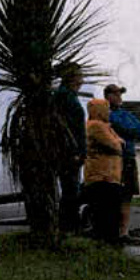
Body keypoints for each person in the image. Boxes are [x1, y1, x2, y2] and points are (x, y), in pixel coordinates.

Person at [103, 84, 140, 243]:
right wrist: (127, 130)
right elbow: (117, 128)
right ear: (108, 96)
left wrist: (127, 130)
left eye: (120, 94)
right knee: (113, 194)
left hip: (128, 157)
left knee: (127, 195)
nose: (119, 97)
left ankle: (124, 232)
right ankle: (112, 232)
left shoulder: (126, 113)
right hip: (114, 158)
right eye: (116, 94)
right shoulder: (105, 114)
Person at [82, 98, 124, 242]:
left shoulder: (106, 126)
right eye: (106, 109)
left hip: (110, 176)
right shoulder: (96, 126)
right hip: (101, 176)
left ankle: (109, 240)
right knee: (105, 212)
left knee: (111, 212)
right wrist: (118, 143)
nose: (109, 112)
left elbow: (120, 143)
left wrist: (118, 142)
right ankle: (106, 242)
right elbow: (116, 145)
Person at [53, 62, 86, 233]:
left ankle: (70, 225)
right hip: (69, 152)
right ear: (71, 78)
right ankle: (69, 227)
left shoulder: (68, 96)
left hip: (72, 151)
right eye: (79, 76)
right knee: (70, 190)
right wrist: (74, 151)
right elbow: (65, 128)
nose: (82, 80)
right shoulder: (65, 97)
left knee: (71, 189)